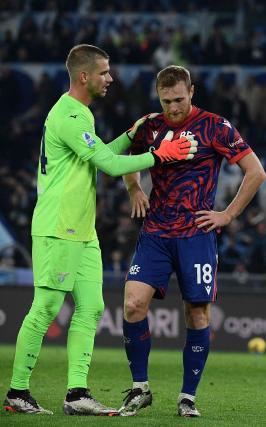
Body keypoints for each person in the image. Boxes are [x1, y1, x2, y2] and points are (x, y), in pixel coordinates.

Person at [4, 45, 197, 416]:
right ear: (84, 77)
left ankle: (77, 394)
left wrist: (131, 133)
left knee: (91, 308)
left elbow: (99, 155)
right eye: (105, 72)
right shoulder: (70, 116)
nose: (110, 78)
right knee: (45, 308)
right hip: (59, 225)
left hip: (83, 230)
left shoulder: (80, 115)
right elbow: (108, 165)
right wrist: (161, 155)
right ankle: (18, 391)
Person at [118, 65, 266, 417]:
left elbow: (256, 171)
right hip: (155, 231)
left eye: (179, 100)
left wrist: (227, 215)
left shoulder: (216, 126)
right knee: (132, 305)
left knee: (197, 314)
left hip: (195, 234)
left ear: (192, 92)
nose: (173, 108)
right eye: (166, 100)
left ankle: (188, 397)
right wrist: (135, 187)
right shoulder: (150, 125)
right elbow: (123, 156)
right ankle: (140, 388)